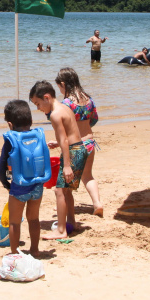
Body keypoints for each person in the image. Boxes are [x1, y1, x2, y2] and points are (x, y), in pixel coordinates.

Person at [29, 80, 86, 240]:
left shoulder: (54, 114)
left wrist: (66, 165)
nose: (38, 108)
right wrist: (59, 143)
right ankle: (72, 222)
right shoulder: (65, 107)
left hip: (73, 152)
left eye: (38, 104)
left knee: (59, 191)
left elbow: (64, 141)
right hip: (79, 148)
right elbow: (70, 134)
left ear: (46, 97)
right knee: (66, 190)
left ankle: (61, 230)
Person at [0, 100, 49, 256]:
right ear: (30, 120)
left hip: (19, 187)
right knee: (34, 219)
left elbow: (1, 168)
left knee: (14, 221)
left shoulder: (11, 140)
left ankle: (15, 253)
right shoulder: (38, 136)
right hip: (37, 185)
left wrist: (6, 184)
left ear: (10, 124)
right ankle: (34, 250)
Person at [55, 67, 103, 217]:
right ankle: (97, 203)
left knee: (67, 183)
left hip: (77, 145)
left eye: (60, 88)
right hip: (90, 142)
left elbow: (65, 127)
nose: (60, 91)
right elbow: (94, 119)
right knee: (88, 176)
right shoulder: (88, 99)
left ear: (63, 84)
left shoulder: (67, 103)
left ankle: (67, 211)